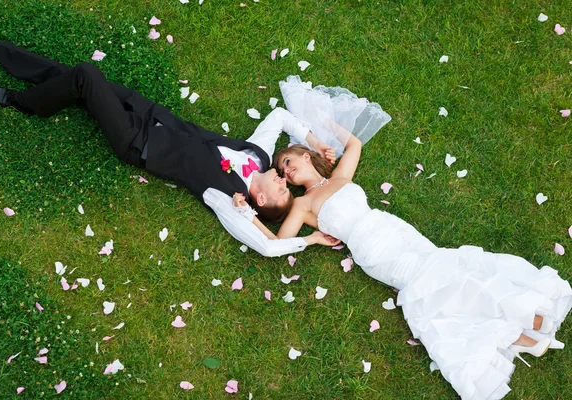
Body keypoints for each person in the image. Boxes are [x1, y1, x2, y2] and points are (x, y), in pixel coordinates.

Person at [239, 77, 572, 399]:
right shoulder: (302, 205)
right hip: (376, 251)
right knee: (440, 285)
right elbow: (279, 242)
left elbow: (353, 144)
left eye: (286, 161)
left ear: (302, 154)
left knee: (453, 275)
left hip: (395, 229)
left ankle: (525, 337)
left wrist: (321, 131)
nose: (285, 172)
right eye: (282, 172)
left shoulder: (340, 176)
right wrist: (247, 214)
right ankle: (530, 320)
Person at [0, 9, 343, 257]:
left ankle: (24, 102)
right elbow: (279, 116)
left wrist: (306, 239)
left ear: (261, 201)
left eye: (282, 192)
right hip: (151, 113)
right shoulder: (259, 155)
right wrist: (316, 143)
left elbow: (266, 246)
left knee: (85, 76)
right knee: (71, 78)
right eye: (287, 185)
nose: (284, 182)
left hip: (135, 140)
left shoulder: (228, 199)